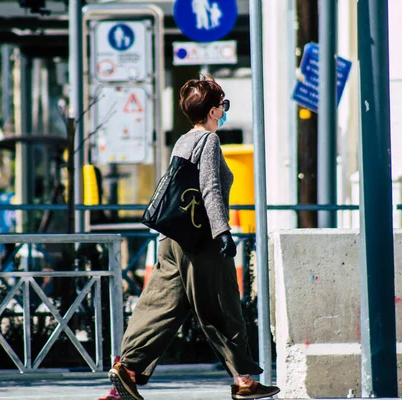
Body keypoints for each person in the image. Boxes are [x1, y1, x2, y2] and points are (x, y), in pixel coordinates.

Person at [108, 76, 280, 400]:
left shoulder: (183, 140)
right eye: (223, 105)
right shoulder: (210, 142)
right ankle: (244, 381)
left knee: (160, 305)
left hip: (171, 239)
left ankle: (126, 368)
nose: (224, 111)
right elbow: (210, 189)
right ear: (214, 111)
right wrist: (223, 232)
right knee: (222, 305)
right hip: (202, 241)